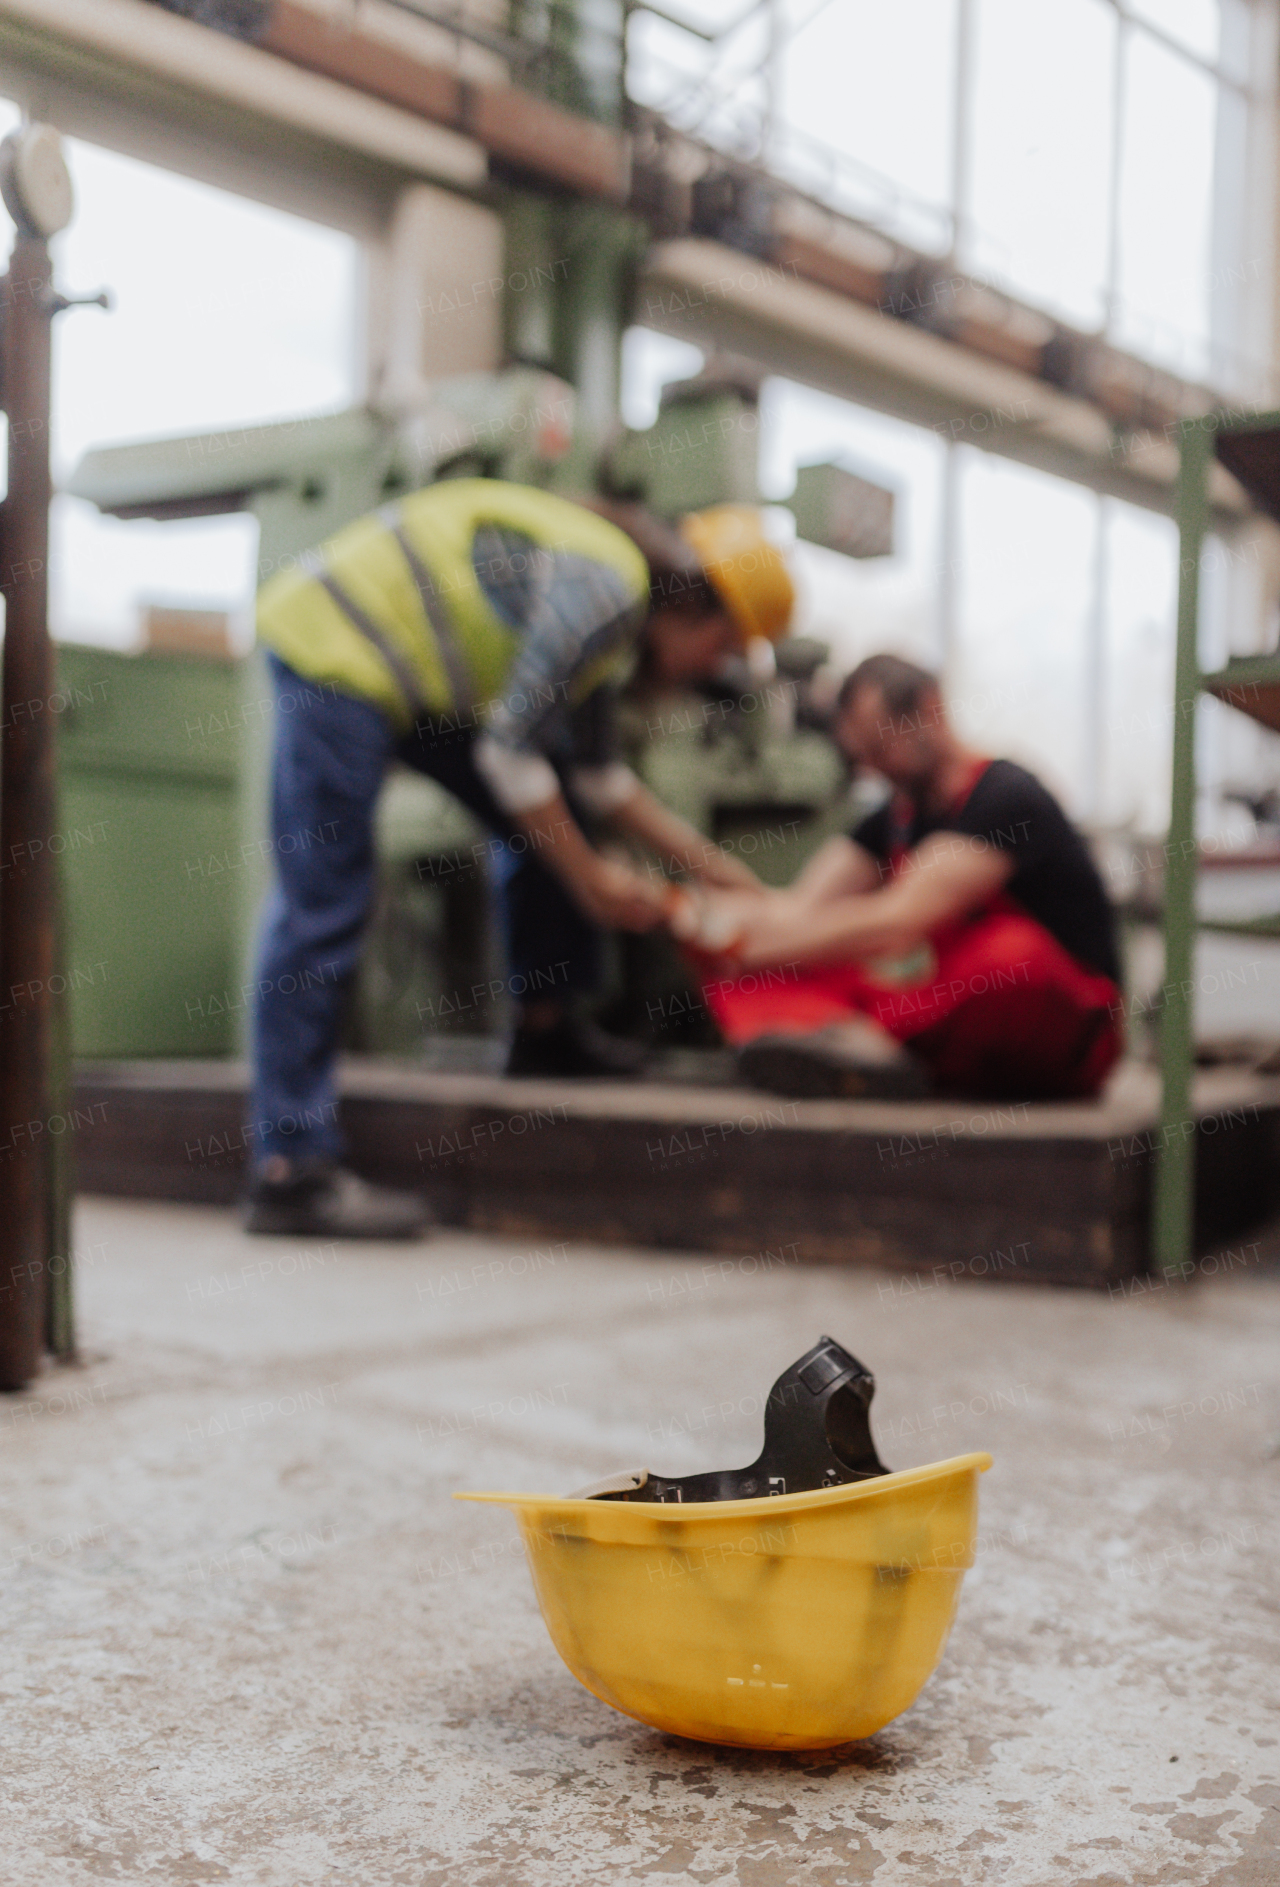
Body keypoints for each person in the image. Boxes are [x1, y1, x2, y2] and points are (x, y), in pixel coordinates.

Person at [245, 481, 794, 1236]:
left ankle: (545, 1030)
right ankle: (290, 1167)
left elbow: (600, 782)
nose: (712, 668)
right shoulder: (606, 589)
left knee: (548, 813)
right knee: (327, 898)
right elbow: (510, 755)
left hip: (409, 683)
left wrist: (713, 870)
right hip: (334, 646)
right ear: (697, 606)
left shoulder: (613, 628)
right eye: (725, 647)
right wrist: (594, 879)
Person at [683, 653, 1122, 1101]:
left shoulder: (1008, 798)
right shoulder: (890, 817)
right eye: (865, 755)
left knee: (1009, 956)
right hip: (940, 1020)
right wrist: (711, 923)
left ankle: (854, 1039)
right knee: (751, 969)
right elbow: (799, 910)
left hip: (1057, 1025)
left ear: (930, 709)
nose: (875, 768)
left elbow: (896, 923)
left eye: (882, 746)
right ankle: (861, 1049)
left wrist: (746, 946)